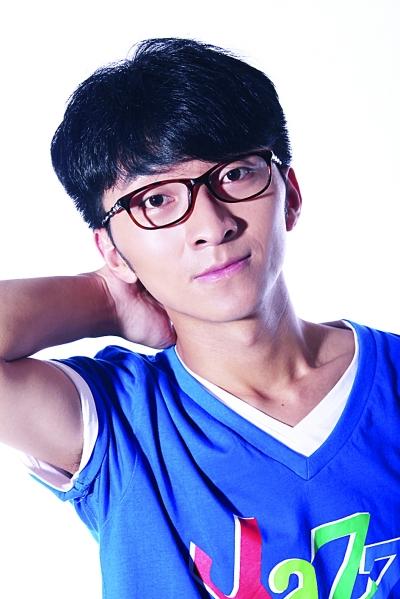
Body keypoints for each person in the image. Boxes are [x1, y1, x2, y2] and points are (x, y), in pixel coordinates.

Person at [0, 37, 399, 598]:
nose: (211, 225)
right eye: (156, 201)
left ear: (289, 194)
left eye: (234, 175)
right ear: (113, 249)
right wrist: (104, 298)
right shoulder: (121, 425)